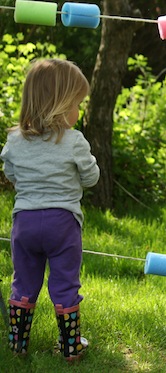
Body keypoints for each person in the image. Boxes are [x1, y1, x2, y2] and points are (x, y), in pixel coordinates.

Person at [1, 58, 99, 361]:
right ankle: (71, 346)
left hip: (25, 223)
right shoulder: (74, 141)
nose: (78, 111)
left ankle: (18, 344)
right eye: (76, 104)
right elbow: (92, 178)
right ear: (60, 104)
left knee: (24, 282)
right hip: (63, 223)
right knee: (65, 283)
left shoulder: (14, 140)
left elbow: (11, 174)